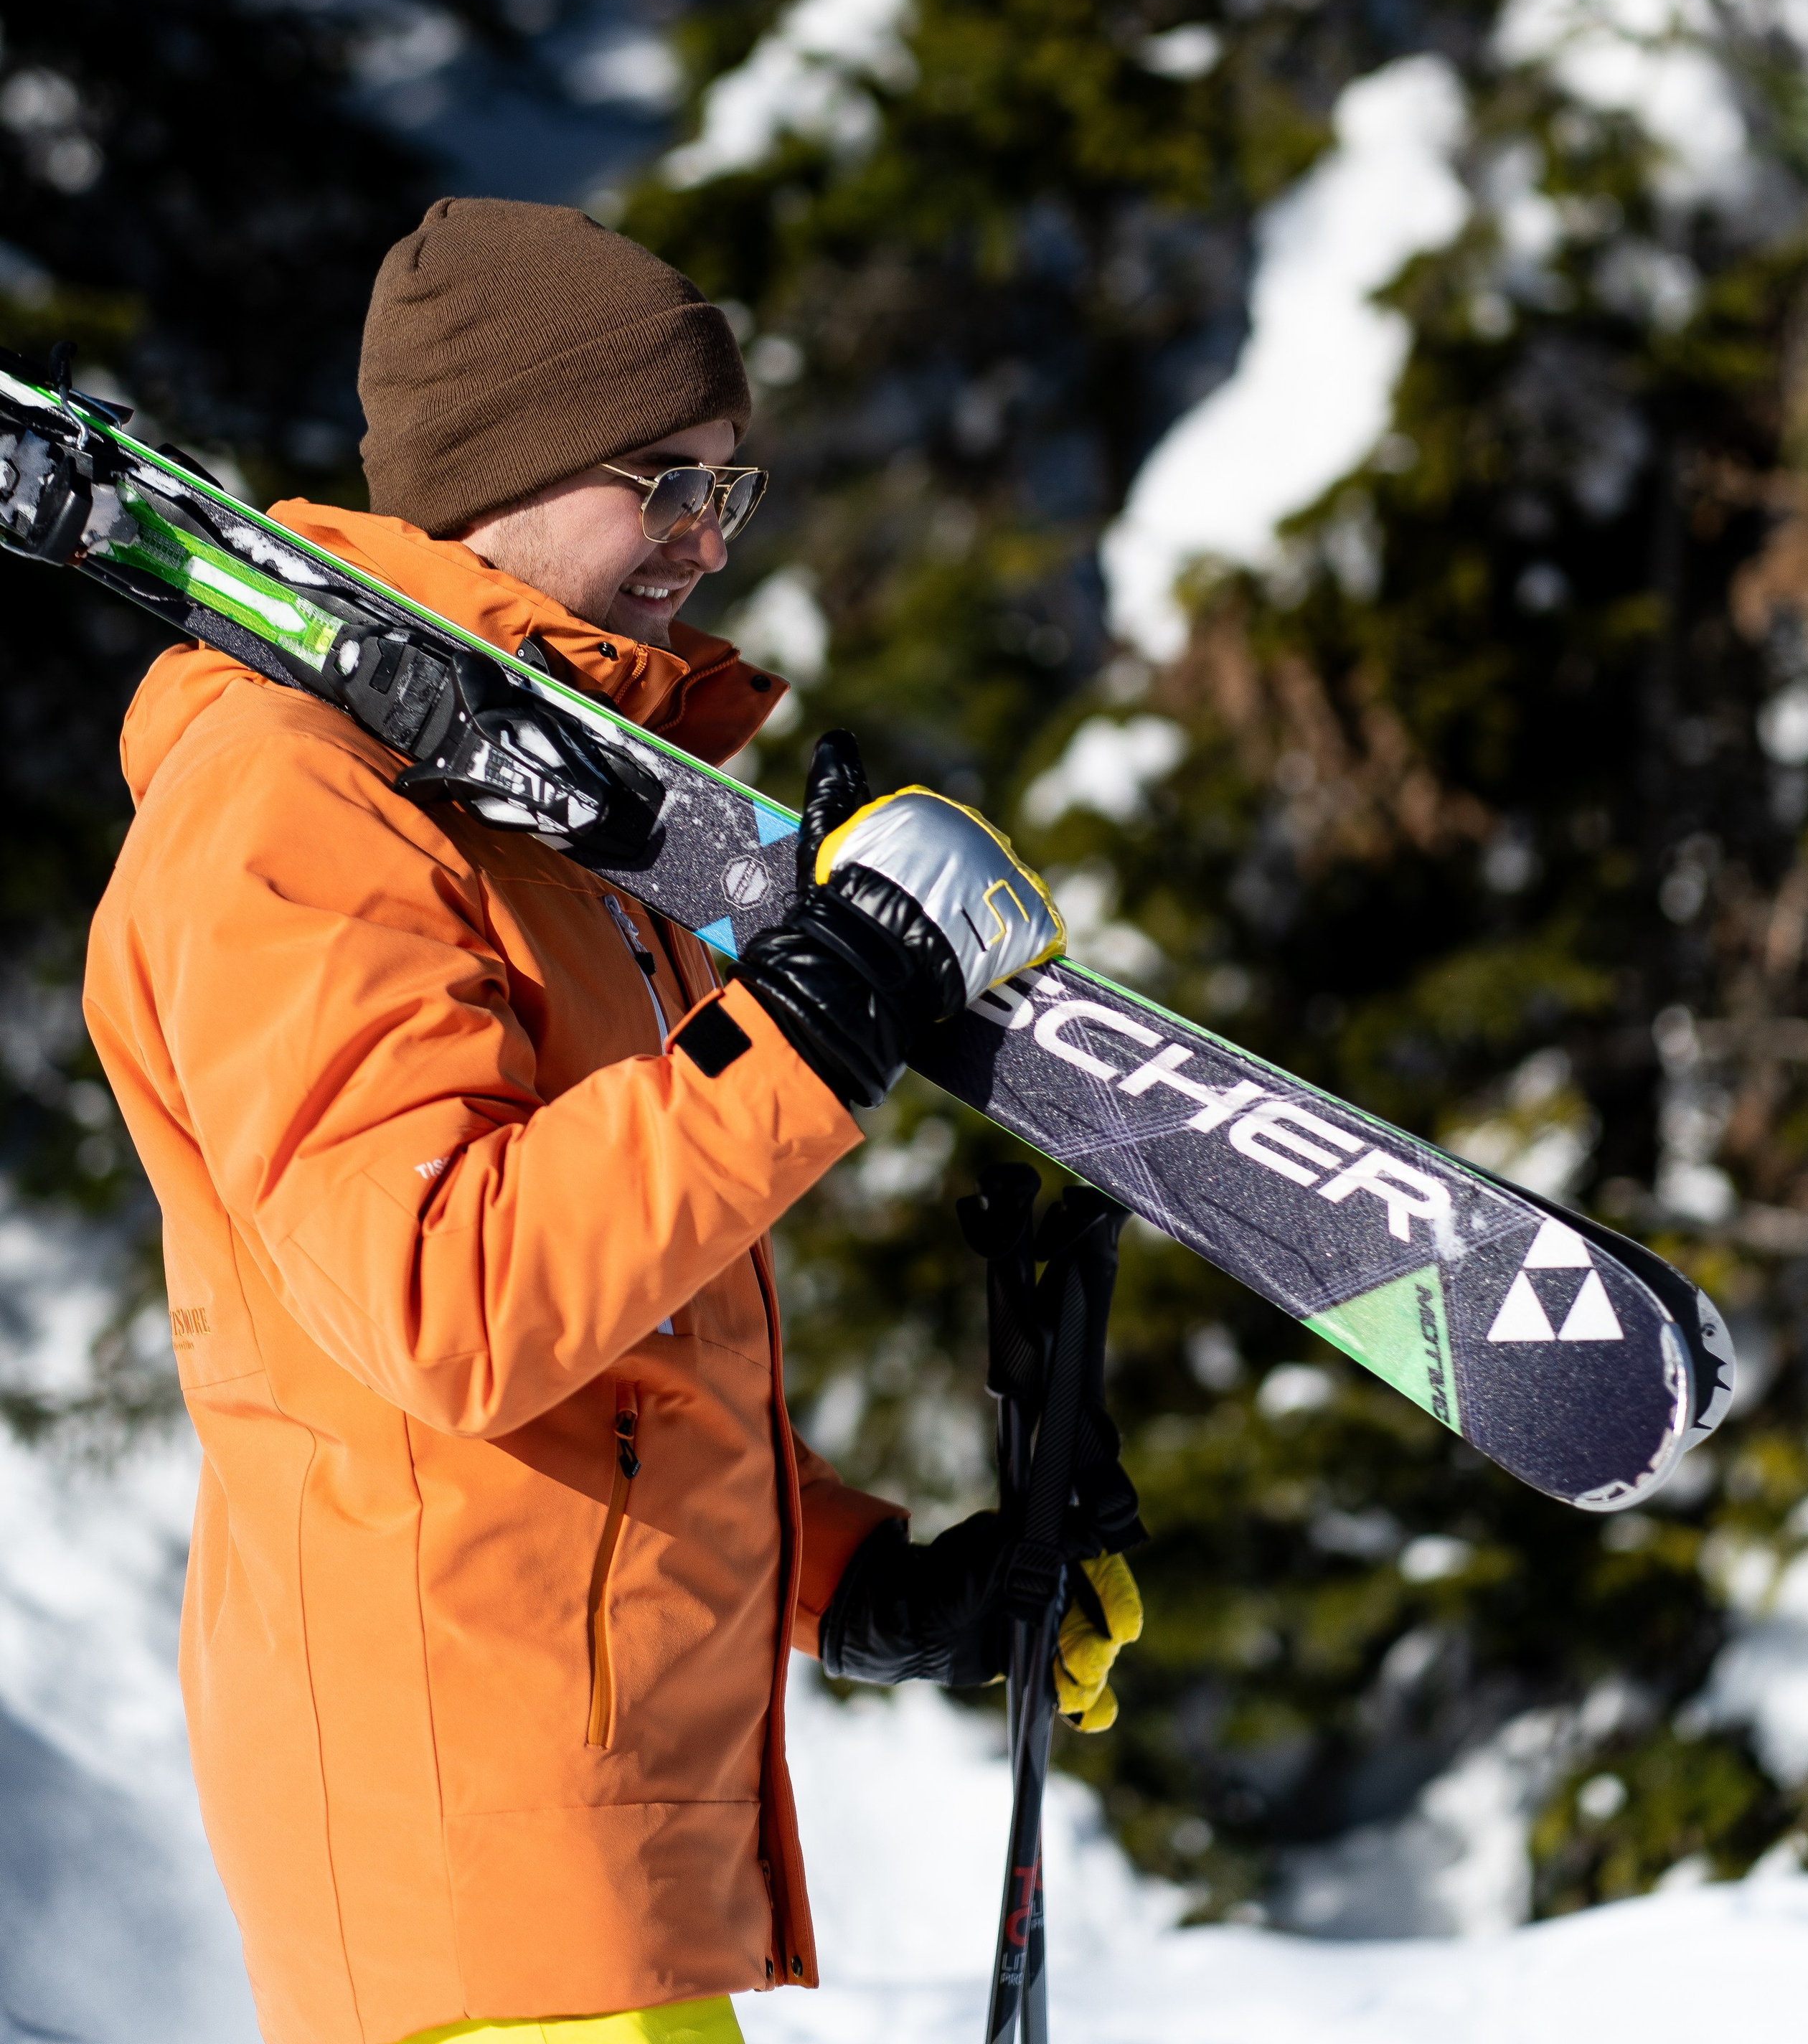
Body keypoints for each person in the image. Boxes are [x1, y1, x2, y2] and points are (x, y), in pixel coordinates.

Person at [83, 195, 1141, 2044]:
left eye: (724, 493)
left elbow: (613, 1358)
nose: (699, 547)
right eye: (663, 481)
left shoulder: (567, 828)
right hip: (463, 1877)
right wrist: (818, 1024)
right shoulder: (294, 806)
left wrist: (863, 1584)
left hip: (576, 1872)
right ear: (499, 465)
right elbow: (454, 1298)